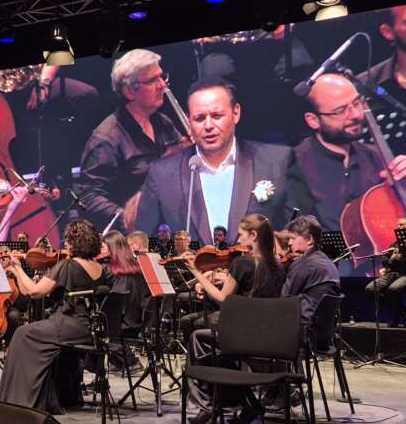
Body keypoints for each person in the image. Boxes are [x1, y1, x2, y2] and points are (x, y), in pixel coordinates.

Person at [134, 79, 293, 242]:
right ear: (189, 120)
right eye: (199, 118)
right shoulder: (162, 175)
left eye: (216, 116)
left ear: (236, 113)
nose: (208, 125)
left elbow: (299, 233)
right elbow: (143, 244)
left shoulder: (276, 162)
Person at [287, 73, 406, 233]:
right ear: (313, 120)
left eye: (357, 103)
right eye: (340, 111)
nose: (356, 115)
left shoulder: (376, 156)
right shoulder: (295, 164)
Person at [0, 220, 112, 413]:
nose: (65, 244)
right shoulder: (99, 268)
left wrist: (19, 268)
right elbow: (29, 291)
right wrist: (16, 269)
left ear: (74, 242)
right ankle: (54, 395)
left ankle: (22, 398)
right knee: (29, 332)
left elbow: (35, 292)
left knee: (22, 334)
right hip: (88, 328)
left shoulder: (68, 265)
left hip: (67, 326)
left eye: (68, 240)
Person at [181, 214, 286, 424]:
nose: (238, 240)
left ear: (253, 235)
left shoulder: (243, 263)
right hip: (268, 338)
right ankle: (246, 404)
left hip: (243, 338)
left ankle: (207, 404)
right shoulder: (278, 265)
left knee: (198, 338)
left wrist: (195, 272)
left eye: (241, 234)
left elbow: (223, 299)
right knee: (219, 349)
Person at [79, 49, 188, 231]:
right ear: (130, 91)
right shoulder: (106, 139)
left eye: (162, 77)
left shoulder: (163, 122)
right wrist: (128, 218)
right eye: (152, 80)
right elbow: (89, 197)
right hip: (133, 237)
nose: (163, 85)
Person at [281, 215, 341, 332]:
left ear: (309, 239)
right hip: (320, 330)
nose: (289, 243)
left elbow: (284, 300)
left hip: (301, 328)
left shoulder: (305, 264)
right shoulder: (327, 262)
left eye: (293, 238)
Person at [365, 219, 406, 327]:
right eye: (397, 225)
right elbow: (385, 261)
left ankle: (394, 317)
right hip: (393, 274)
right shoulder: (395, 244)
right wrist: (392, 259)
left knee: (393, 289)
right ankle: (402, 309)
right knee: (370, 289)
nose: (399, 227)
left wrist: (399, 259)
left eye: (402, 224)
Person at [102, 230, 147, 372]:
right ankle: (118, 361)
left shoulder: (112, 269)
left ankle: (130, 362)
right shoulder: (133, 266)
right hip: (136, 318)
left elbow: (115, 301)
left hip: (123, 323)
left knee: (91, 326)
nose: (99, 250)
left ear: (112, 247)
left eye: (102, 247)